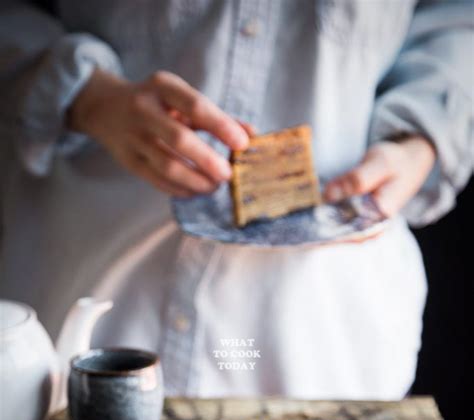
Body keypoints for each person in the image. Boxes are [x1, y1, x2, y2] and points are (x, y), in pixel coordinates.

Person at [0, 0, 472, 398]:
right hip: (86, 288)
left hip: (325, 327)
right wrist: (90, 96)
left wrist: (423, 137)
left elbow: (456, 20)